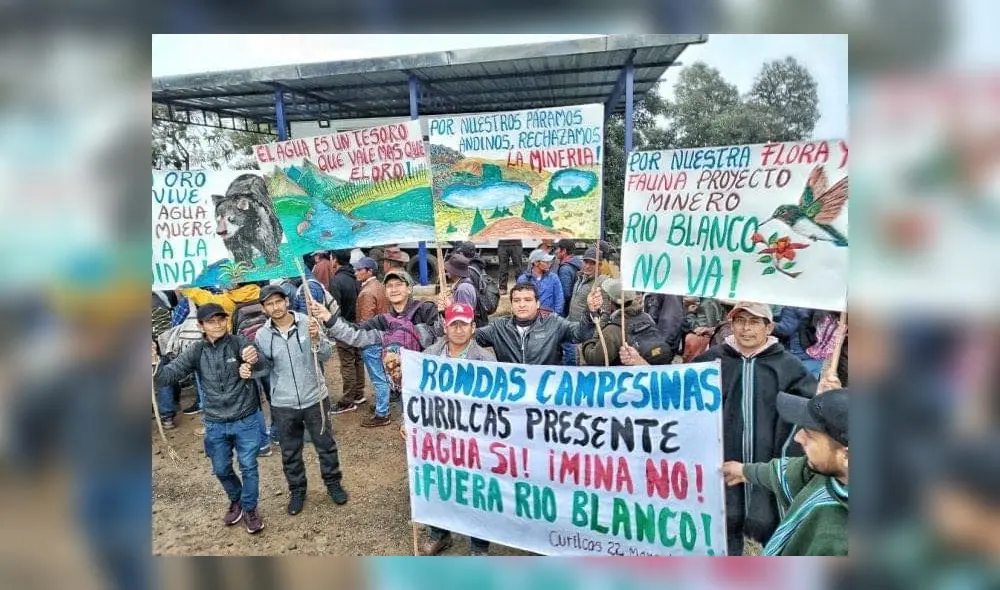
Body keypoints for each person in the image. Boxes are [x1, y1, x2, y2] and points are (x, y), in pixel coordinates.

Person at [690, 301, 819, 555]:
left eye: (754, 322)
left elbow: (810, 409)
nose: (746, 329)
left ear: (768, 327)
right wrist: (640, 363)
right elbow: (676, 392)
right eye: (740, 321)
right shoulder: (712, 361)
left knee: (772, 528)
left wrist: (824, 392)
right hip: (722, 463)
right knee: (724, 527)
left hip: (765, 464)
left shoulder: (788, 365)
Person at [152, 303, 270, 534]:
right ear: (201, 325)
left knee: (248, 466)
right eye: (211, 321)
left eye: (220, 320)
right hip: (215, 422)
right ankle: (236, 499)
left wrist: (254, 361)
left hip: (244, 418)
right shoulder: (197, 350)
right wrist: (154, 363)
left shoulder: (240, 343)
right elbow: (168, 376)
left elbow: (264, 366)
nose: (217, 325)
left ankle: (249, 508)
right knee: (221, 468)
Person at [254, 285, 349, 515]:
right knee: (290, 452)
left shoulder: (309, 322)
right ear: (263, 308)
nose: (275, 307)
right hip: (283, 403)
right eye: (269, 304)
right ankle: (297, 490)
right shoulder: (262, 335)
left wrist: (317, 339)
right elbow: (263, 369)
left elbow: (326, 355)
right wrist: (251, 362)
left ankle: (333, 483)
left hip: (315, 396)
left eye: (278, 301)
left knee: (325, 445)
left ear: (286, 301)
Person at [722, 385, 849, 556]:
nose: (798, 437)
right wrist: (744, 471)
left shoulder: (837, 540)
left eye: (809, 435)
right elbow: (791, 472)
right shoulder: (834, 473)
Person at [310, 269, 443, 426]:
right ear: (385, 292)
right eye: (389, 286)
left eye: (399, 285)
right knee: (411, 427)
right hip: (404, 390)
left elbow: (444, 336)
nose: (394, 289)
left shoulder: (426, 310)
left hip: (430, 385)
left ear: (409, 288)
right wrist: (328, 318)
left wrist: (446, 312)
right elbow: (355, 334)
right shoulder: (382, 321)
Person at [417, 302, 496, 556]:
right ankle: (439, 533)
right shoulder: (429, 355)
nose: (459, 329)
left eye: (464, 324)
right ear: (445, 326)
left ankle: (479, 546)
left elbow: (495, 405)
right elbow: (416, 396)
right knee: (438, 483)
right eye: (454, 324)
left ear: (473, 327)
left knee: (476, 490)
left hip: (473, 439)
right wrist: (409, 424)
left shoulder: (486, 360)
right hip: (437, 436)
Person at [473, 281, 601, 365]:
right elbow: (468, 338)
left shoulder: (553, 322)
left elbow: (580, 334)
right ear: (511, 305)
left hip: (545, 396)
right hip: (513, 397)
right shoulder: (498, 327)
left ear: (538, 303)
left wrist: (590, 312)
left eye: (528, 300)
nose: (522, 305)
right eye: (517, 300)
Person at [581, 280, 667, 367]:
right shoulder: (646, 316)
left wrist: (590, 339)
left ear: (611, 301)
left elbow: (595, 360)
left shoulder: (612, 330)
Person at [353, 256, 392, 425]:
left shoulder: (367, 292)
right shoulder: (380, 286)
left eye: (359, 269)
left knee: (377, 377)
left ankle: (382, 413)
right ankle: (383, 406)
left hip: (372, 338)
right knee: (382, 375)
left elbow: (365, 320)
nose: (356, 272)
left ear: (369, 271)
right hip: (383, 335)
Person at [328, 249, 366, 413]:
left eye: (331, 258)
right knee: (357, 359)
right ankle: (358, 393)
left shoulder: (336, 281)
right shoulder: (355, 277)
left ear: (334, 259)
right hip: (357, 326)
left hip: (344, 327)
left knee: (347, 364)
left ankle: (348, 401)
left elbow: (335, 309)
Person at [517, 249, 564, 315]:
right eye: (546, 262)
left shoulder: (553, 277)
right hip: (530, 317)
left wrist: (555, 315)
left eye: (549, 262)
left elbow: (559, 298)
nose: (549, 264)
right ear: (536, 263)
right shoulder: (523, 279)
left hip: (549, 317)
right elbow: (519, 300)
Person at [643, 293, 685, 357]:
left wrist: (656, 350)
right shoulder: (652, 292)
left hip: (659, 348)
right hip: (650, 344)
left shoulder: (670, 293)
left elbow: (670, 324)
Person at [553, 239, 582, 314]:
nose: (555, 251)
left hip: (566, 309)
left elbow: (565, 294)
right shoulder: (576, 262)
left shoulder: (565, 269)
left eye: (557, 249)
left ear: (564, 251)